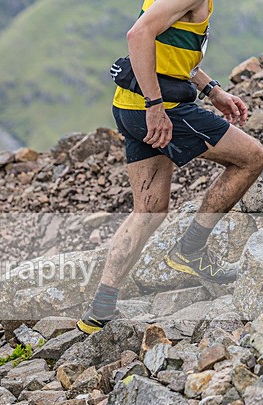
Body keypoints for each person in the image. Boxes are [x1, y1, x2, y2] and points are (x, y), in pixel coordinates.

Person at [77, 0, 263, 335]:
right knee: (252, 157)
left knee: (148, 210)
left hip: (128, 105)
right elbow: (138, 35)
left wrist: (211, 90)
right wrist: (155, 107)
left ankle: (99, 311)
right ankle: (191, 249)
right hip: (162, 107)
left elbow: (168, 51)